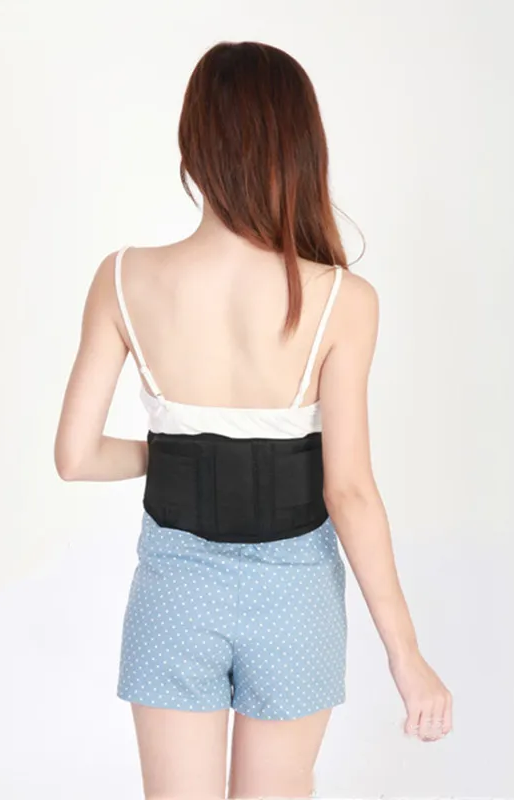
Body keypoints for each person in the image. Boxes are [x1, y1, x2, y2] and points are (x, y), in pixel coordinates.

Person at [54, 40, 452, 800]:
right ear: (299, 147)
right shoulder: (343, 300)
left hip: (174, 588)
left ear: (194, 143)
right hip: (294, 595)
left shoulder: (123, 278)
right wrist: (406, 657)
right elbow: (348, 492)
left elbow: (75, 458)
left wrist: (176, 451)